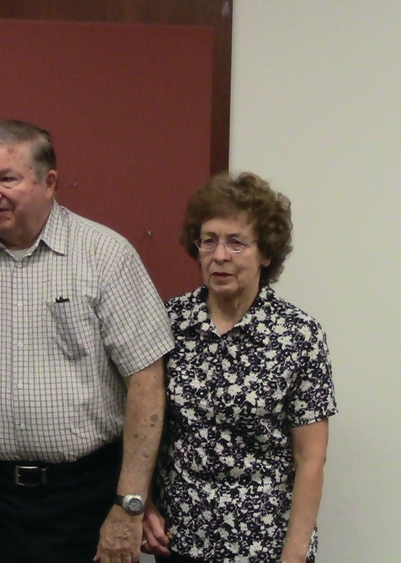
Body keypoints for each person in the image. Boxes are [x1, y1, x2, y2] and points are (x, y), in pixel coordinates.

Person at [0, 120, 174, 563]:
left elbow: (147, 382)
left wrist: (129, 505)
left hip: (84, 502)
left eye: (7, 178)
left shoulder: (104, 256)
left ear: (49, 182)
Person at [140, 172, 338, 563]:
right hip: (181, 540)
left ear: (266, 253)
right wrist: (142, 504)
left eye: (236, 242)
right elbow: (141, 425)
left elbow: (310, 458)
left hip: (265, 545)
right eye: (209, 240)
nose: (220, 256)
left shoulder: (298, 334)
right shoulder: (168, 322)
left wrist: (294, 556)